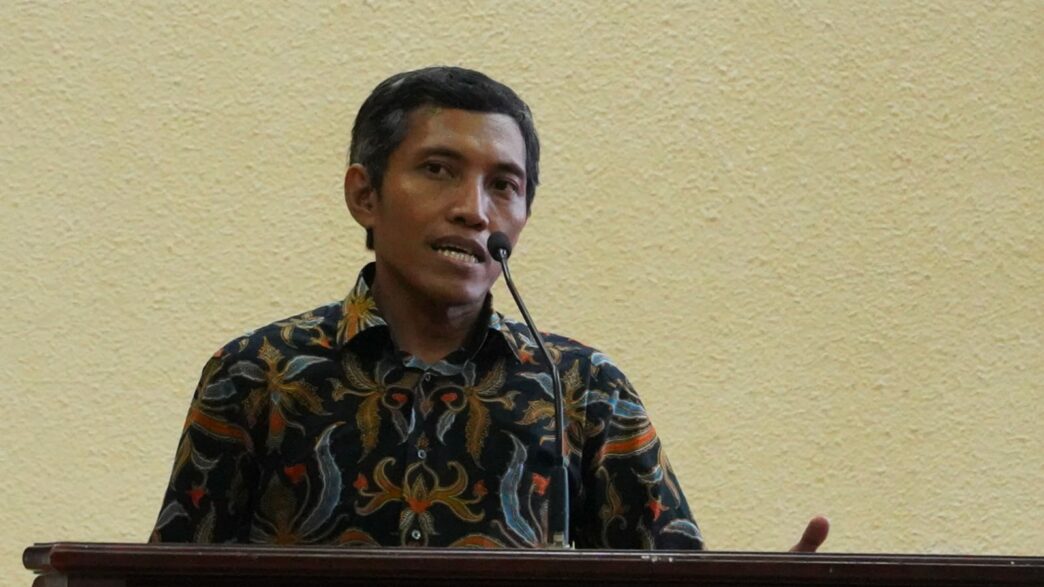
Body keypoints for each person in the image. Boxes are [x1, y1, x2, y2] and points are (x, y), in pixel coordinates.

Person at [150, 66, 827, 551]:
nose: (474, 210)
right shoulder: (257, 374)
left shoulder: (584, 390)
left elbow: (671, 577)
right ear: (364, 195)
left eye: (504, 185)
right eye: (438, 170)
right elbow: (170, 578)